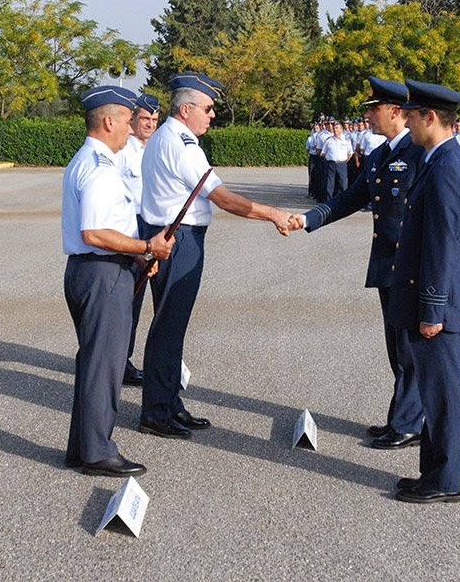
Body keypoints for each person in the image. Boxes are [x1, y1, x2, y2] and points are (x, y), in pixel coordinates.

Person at [137, 71, 296, 439]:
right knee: (168, 328)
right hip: (179, 241)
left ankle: (169, 403)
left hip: (171, 238)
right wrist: (274, 214)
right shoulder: (181, 144)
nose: (212, 115)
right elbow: (223, 199)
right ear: (186, 108)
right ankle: (157, 411)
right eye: (207, 108)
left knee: (171, 327)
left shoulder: (168, 137)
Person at [290, 77, 426, 450]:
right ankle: (401, 417)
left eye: (373, 108)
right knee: (396, 346)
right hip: (386, 262)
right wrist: (308, 219)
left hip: (409, 266)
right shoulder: (380, 155)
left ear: (396, 112)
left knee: (409, 347)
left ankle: (409, 423)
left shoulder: (418, 154)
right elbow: (352, 196)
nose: (367, 114)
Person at [61, 86, 175, 477]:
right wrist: (146, 245)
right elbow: (94, 231)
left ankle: (82, 448)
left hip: (97, 269)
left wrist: (140, 255)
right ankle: (97, 452)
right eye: (128, 120)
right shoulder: (99, 167)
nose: (131, 128)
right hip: (101, 271)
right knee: (103, 366)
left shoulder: (90, 160)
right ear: (109, 121)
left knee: (96, 362)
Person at [391, 79, 460, 504]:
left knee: (442, 395)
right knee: (435, 390)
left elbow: (442, 244)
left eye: (410, 114)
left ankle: (445, 481)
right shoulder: (437, 159)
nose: (405, 120)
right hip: (433, 298)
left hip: (437, 303)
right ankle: (435, 473)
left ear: (429, 117)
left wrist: (431, 309)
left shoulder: (444, 166)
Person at [120, 93, 161, 386]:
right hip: (130, 227)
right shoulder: (123, 151)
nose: (149, 124)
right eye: (145, 119)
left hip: (151, 225)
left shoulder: (155, 149)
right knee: (127, 297)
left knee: (142, 296)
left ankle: (125, 358)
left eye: (154, 120)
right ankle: (119, 361)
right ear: (133, 120)